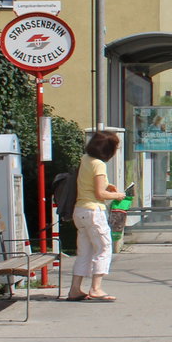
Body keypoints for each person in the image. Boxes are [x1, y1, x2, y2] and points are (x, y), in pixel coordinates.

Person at [67, 129, 125, 302]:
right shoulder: (99, 164)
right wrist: (117, 195)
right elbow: (100, 194)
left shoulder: (85, 159)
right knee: (104, 248)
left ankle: (75, 289)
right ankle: (96, 288)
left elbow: (89, 183)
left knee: (84, 252)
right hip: (94, 211)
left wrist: (108, 185)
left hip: (80, 211)